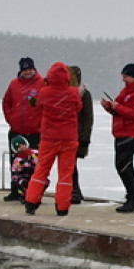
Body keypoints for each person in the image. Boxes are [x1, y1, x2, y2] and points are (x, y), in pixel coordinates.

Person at [24, 61, 83, 217]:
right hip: (69, 139)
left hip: (49, 138)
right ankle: (62, 206)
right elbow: (78, 108)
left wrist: (38, 91)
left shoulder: (44, 92)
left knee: (41, 170)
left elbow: (35, 105)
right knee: (65, 174)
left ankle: (31, 201)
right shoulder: (73, 93)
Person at [101, 63, 134, 213]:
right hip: (121, 132)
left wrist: (117, 107)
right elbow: (120, 110)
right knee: (123, 165)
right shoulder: (126, 91)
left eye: (126, 76)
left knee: (124, 166)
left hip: (132, 134)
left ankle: (132, 199)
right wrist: (109, 107)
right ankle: (131, 198)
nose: (123, 79)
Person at [1, 56, 45, 200]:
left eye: (30, 69)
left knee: (34, 164)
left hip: (35, 132)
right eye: (25, 69)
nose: (28, 72)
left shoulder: (42, 83)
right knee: (16, 164)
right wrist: (11, 118)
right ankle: (15, 191)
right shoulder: (14, 84)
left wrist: (40, 122)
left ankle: (32, 193)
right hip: (17, 131)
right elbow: (6, 102)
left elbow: (46, 105)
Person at [69, 65, 94, 205]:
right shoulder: (68, 93)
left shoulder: (84, 94)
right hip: (68, 134)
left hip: (77, 135)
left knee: (71, 165)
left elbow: (88, 118)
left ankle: (75, 191)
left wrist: (85, 139)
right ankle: (74, 190)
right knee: (70, 165)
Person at [9, 135, 37, 200]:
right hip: (23, 178)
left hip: (34, 176)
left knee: (43, 182)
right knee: (22, 184)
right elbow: (15, 173)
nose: (22, 147)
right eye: (19, 146)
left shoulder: (35, 153)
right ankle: (23, 196)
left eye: (23, 144)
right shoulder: (17, 160)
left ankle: (36, 197)